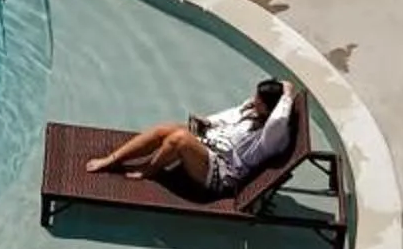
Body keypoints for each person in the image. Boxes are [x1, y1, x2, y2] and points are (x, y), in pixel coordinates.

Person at [86, 78, 293, 200]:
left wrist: (287, 94)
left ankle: (149, 170)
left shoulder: (271, 135)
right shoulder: (251, 110)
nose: (254, 100)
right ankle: (112, 159)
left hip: (223, 174)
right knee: (165, 129)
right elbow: (226, 119)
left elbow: (280, 117)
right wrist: (208, 123)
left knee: (180, 139)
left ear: (271, 108)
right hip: (208, 149)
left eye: (259, 100)